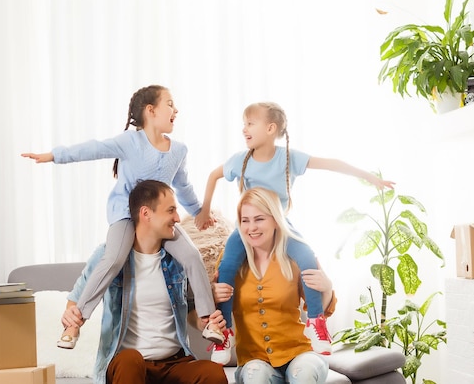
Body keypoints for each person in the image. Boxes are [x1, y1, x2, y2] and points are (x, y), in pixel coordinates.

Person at [21, 85, 221, 349]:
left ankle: (208, 321)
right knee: (114, 258)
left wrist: (198, 213)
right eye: (170, 104)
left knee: (192, 256)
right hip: (127, 216)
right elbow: (93, 149)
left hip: (160, 221)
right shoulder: (130, 142)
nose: (176, 110)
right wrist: (54, 155)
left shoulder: (178, 151)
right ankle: (75, 322)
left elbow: (183, 187)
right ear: (151, 111)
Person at [194, 101, 394, 363]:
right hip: (249, 227)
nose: (244, 129)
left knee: (308, 258)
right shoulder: (239, 161)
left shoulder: (287, 158)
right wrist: (205, 210)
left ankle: (315, 321)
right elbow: (212, 176)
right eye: (244, 124)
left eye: (250, 123)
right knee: (227, 269)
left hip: (282, 225)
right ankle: (224, 333)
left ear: (270, 128)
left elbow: (331, 164)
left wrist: (369, 177)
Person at [62, 179, 229, 384]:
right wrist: (71, 314)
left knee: (211, 374)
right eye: (171, 211)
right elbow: (77, 298)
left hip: (173, 363)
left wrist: (204, 322)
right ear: (146, 214)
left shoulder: (178, 260)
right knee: (131, 360)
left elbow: (191, 311)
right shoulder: (108, 256)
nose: (177, 218)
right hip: (128, 364)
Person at [213, 187, 336, 384]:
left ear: (275, 220)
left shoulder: (294, 259)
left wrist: (327, 287)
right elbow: (204, 315)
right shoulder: (229, 264)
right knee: (257, 376)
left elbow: (321, 307)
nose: (252, 227)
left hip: (300, 353)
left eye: (259, 219)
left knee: (303, 373)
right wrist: (214, 296)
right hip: (254, 360)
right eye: (246, 220)